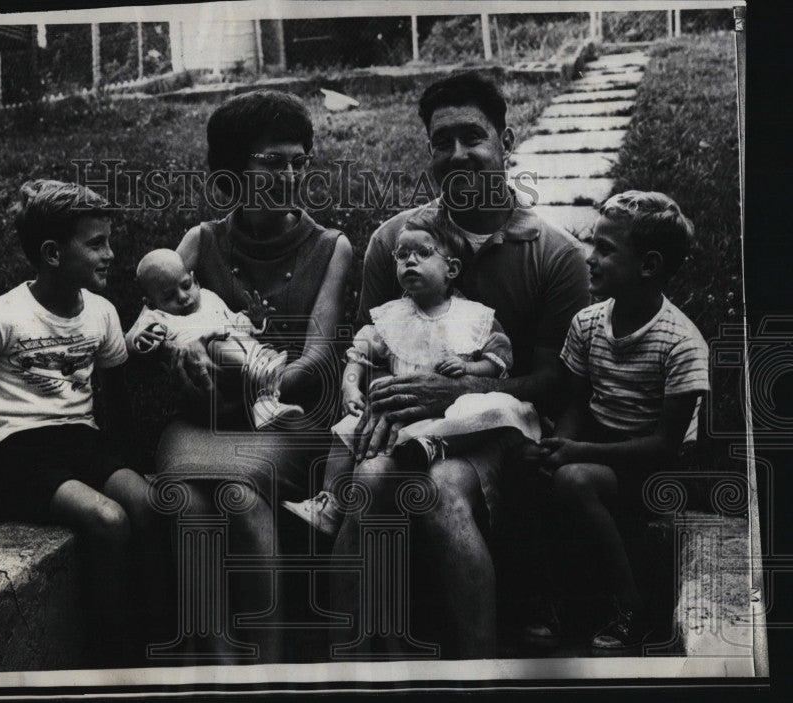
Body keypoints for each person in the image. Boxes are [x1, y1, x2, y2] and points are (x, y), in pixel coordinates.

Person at [330, 71, 591, 658]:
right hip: (407, 426)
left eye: (472, 137)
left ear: (506, 139)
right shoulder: (396, 241)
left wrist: (451, 397)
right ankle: (346, 656)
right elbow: (373, 349)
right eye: (440, 142)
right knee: (367, 479)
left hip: (499, 432)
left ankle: (481, 662)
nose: (456, 155)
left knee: (442, 490)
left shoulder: (554, 254)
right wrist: (378, 404)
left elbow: (556, 382)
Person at [151, 90, 353, 662]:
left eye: (299, 161)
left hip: (287, 422)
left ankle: (263, 661)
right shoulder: (200, 241)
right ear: (231, 173)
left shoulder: (331, 247)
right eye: (271, 162)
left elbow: (316, 364)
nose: (289, 175)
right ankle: (216, 659)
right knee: (183, 498)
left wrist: (249, 376)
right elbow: (158, 329)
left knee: (238, 496)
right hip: (203, 417)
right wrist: (178, 359)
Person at [0, 179, 168, 666]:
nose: (110, 254)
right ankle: (115, 657)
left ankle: (157, 632)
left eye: (108, 240)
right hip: (20, 451)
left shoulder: (102, 313)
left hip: (80, 442)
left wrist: (129, 462)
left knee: (149, 506)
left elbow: (116, 393)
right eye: (96, 244)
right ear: (52, 253)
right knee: (108, 520)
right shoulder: (3, 315)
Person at [521, 191, 709, 650]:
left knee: (575, 481)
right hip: (602, 443)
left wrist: (578, 453)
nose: (589, 258)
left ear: (648, 265)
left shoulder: (681, 343)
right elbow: (578, 403)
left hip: (652, 465)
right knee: (533, 467)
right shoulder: (588, 324)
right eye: (592, 244)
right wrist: (557, 444)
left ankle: (630, 604)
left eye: (605, 250)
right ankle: (553, 597)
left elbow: (665, 444)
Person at [282, 212, 541, 536]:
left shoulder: (474, 316)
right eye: (402, 255)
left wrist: (469, 368)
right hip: (401, 412)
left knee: (484, 407)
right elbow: (358, 356)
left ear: (452, 269)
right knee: (346, 430)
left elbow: (499, 360)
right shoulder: (390, 317)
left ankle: (429, 446)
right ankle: (330, 503)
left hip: (453, 411)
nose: (410, 261)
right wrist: (351, 390)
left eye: (422, 253)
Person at [128, 248, 304, 430]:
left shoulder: (209, 298)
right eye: (169, 296)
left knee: (254, 346)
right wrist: (143, 339)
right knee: (218, 346)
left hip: (242, 354)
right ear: (150, 303)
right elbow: (146, 341)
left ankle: (265, 405)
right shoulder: (158, 317)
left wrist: (254, 321)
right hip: (209, 367)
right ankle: (263, 378)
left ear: (195, 280)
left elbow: (235, 322)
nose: (183, 297)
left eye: (186, 285)